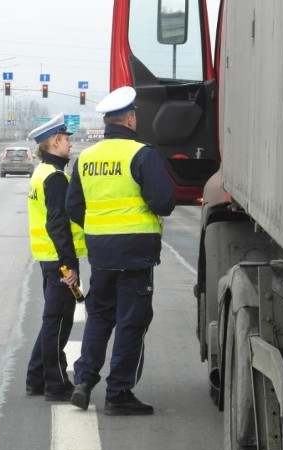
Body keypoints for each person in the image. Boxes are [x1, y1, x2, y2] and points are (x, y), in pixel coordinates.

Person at [66, 86, 176, 415]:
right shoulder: (140, 154)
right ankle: (119, 393)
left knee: (99, 317)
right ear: (130, 119)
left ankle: (84, 381)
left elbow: (73, 206)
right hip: (135, 252)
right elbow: (164, 203)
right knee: (131, 320)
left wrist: (100, 227)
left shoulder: (86, 158)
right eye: (136, 116)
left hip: (100, 252)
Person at [25, 113, 87, 401]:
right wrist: (69, 265)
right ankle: (56, 383)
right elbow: (57, 224)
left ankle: (36, 377)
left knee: (52, 320)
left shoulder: (41, 172)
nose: (70, 145)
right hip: (58, 259)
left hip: (47, 258)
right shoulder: (56, 178)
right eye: (66, 140)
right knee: (58, 323)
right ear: (54, 142)